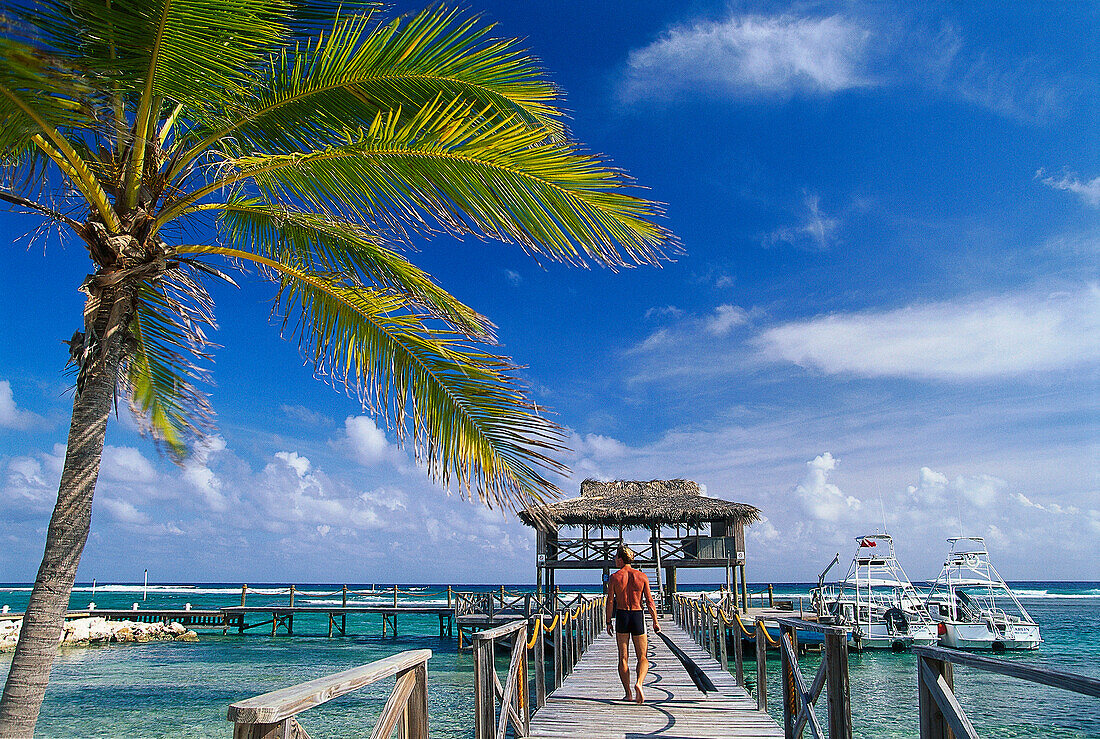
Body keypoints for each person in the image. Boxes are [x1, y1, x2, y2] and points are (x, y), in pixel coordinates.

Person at [605, 545, 661, 703]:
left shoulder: (615, 577)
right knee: (642, 656)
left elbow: (610, 601)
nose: (615, 561)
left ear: (621, 559)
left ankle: (628, 693)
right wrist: (655, 622)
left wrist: (608, 621)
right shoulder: (641, 576)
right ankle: (639, 683)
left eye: (616, 558)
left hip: (622, 615)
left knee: (623, 658)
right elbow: (650, 602)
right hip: (637, 615)